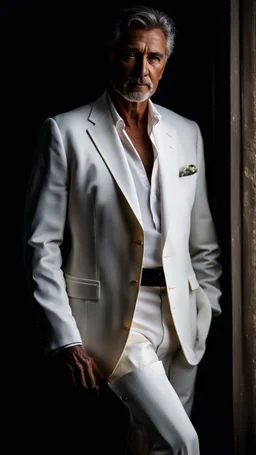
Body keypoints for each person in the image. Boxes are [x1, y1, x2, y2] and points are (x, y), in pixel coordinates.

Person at [23, 5, 222, 455]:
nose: (142, 68)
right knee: (183, 442)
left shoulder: (185, 132)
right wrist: (65, 338)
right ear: (112, 54)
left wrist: (207, 307)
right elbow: (42, 243)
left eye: (154, 58)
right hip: (115, 320)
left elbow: (202, 237)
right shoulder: (66, 132)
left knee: (148, 444)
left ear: (165, 63)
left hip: (183, 316)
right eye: (132, 55)